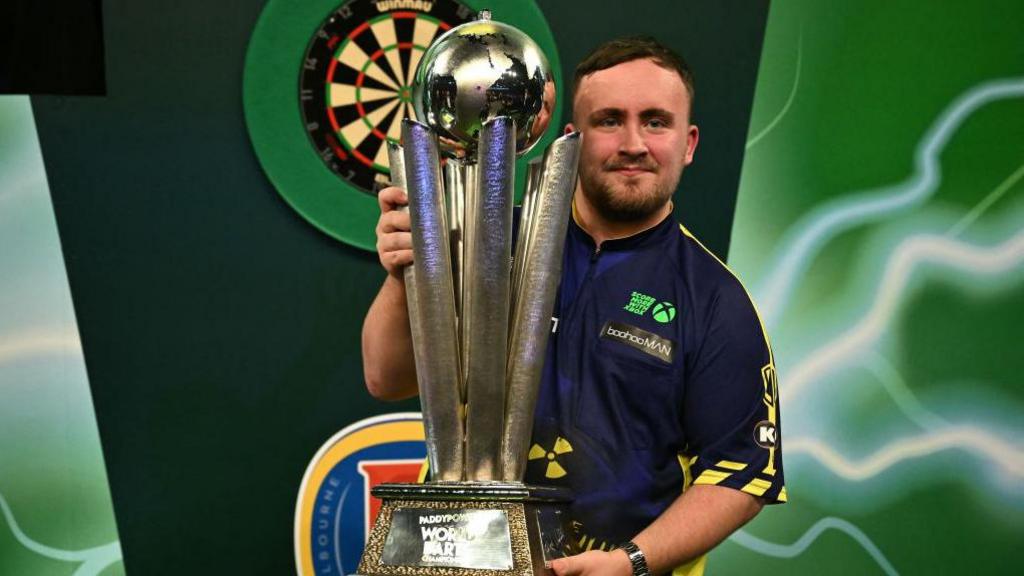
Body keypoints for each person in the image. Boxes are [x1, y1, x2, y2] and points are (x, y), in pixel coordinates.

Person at [362, 36, 785, 576]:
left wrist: (631, 562)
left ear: (689, 143)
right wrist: (404, 275)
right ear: (571, 138)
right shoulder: (483, 241)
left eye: (656, 122)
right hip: (455, 558)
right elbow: (387, 377)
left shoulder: (715, 300)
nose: (633, 143)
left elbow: (740, 476)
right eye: (609, 120)